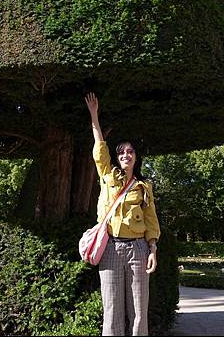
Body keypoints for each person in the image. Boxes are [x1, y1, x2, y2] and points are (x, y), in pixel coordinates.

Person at [85, 92, 160, 337]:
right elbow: (99, 149)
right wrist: (94, 117)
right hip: (111, 249)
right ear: (117, 158)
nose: (126, 155)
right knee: (112, 309)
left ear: (136, 157)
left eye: (131, 151)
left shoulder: (143, 187)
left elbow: (150, 220)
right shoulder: (108, 176)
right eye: (122, 152)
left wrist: (152, 249)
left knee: (139, 310)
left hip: (138, 249)